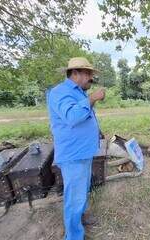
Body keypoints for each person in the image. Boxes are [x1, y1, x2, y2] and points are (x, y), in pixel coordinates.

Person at [47, 57, 105, 240]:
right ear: (75, 73)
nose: (91, 78)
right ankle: (73, 236)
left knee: (82, 191)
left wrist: (97, 131)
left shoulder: (79, 92)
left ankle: (81, 217)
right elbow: (72, 117)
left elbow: (85, 116)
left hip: (83, 152)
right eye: (88, 73)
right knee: (74, 198)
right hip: (73, 155)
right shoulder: (59, 92)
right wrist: (92, 98)